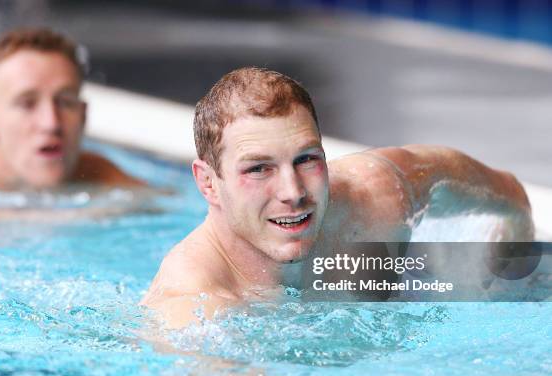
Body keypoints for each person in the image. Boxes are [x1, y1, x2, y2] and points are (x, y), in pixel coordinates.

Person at [141, 67, 533, 328]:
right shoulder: (195, 307)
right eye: (258, 168)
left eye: (306, 160)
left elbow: (508, 194)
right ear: (208, 183)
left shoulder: (377, 195)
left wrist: (504, 280)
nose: (293, 193)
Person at [0, 27, 143, 190]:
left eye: (65, 102)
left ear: (83, 116)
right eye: (27, 104)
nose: (51, 123)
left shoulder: (105, 181)